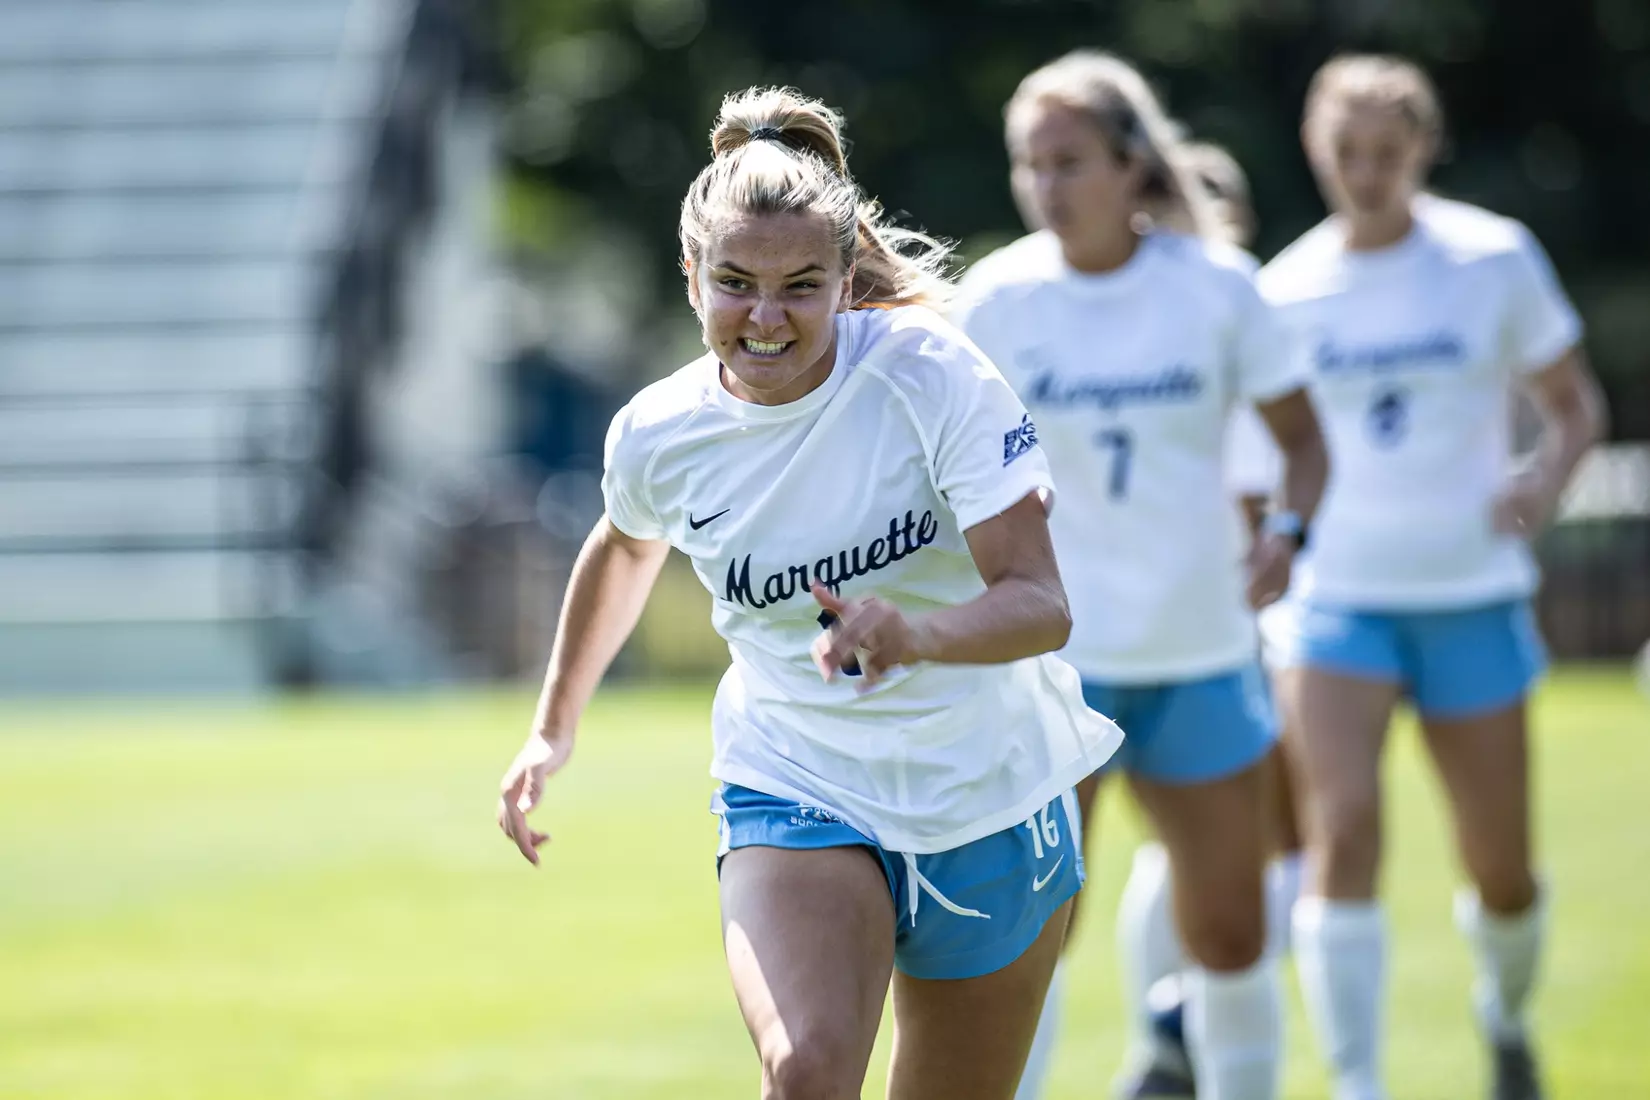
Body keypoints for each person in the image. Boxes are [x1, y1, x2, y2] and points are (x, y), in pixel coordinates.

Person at [496, 86, 1124, 1100]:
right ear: (691, 272)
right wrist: (551, 726)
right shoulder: (659, 432)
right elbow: (623, 547)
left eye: (801, 286)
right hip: (799, 778)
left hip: (988, 785)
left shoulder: (930, 374)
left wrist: (914, 631)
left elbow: (1042, 603)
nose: (766, 317)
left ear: (844, 279)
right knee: (807, 1068)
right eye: (736, 282)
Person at [953, 52, 1329, 1100]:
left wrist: (1288, 533)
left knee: (1230, 933)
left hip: (1198, 653)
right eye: (1030, 165)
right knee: (1027, 940)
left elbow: (1305, 440)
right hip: (1049, 666)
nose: (1047, 186)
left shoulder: (1217, 288)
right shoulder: (998, 298)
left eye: (1069, 161)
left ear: (1131, 165)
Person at [1259, 55, 1607, 1100]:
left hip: (1472, 594)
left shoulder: (1491, 259)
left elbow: (1575, 404)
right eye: (1345, 152)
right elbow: (1262, 449)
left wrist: (1541, 483)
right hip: (1338, 602)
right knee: (1345, 829)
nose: (1365, 172)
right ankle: (1358, 1081)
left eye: (1386, 150)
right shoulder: (1284, 288)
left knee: (1501, 869)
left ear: (1423, 146)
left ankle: (1504, 1012)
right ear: (1319, 151)